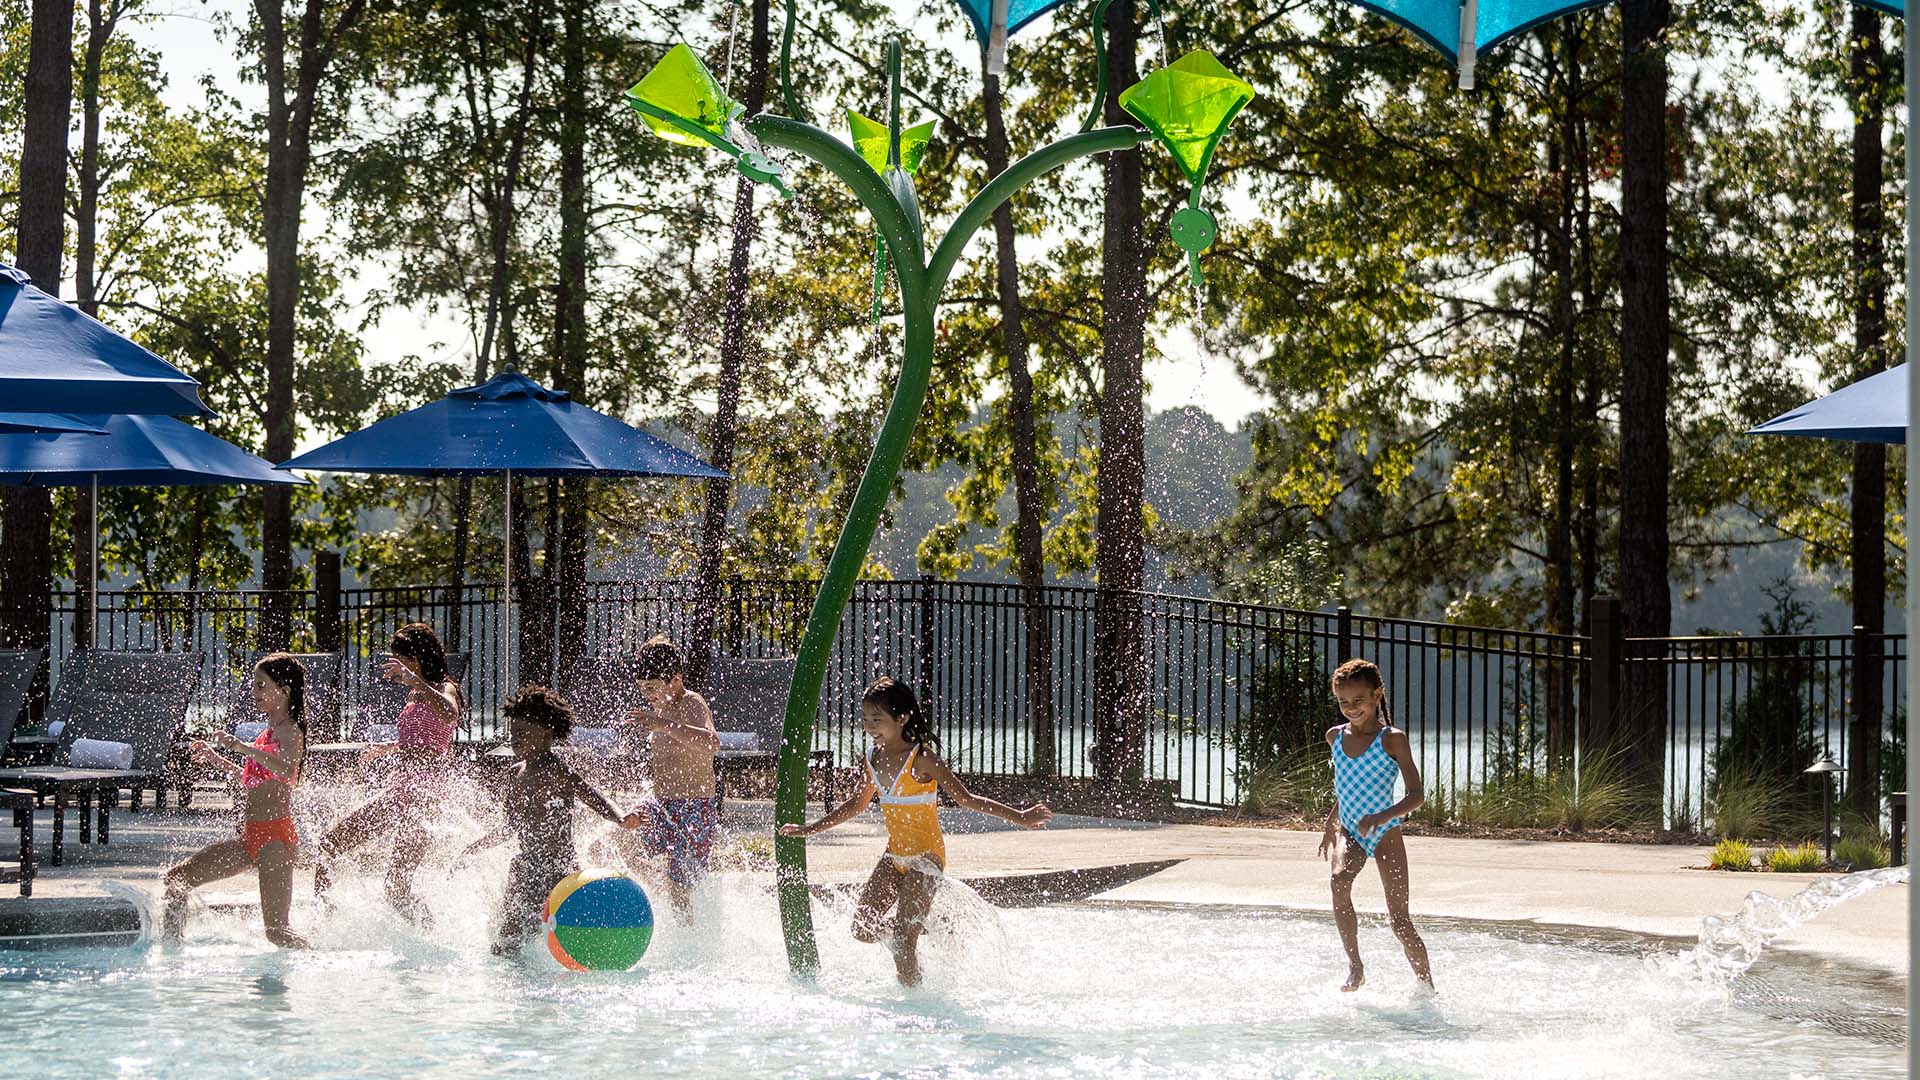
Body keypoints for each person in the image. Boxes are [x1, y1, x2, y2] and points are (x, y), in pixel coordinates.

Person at [780, 676, 1051, 986]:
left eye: (877, 719)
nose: (869, 726)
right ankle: (915, 928)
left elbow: (967, 799)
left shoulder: (923, 760)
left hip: (926, 858)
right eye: (866, 718)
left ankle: (915, 1003)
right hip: (894, 856)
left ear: (902, 718)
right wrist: (811, 829)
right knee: (862, 927)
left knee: (904, 945)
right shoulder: (873, 759)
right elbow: (857, 804)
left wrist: (1021, 816)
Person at [457, 686, 642, 955]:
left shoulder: (557, 770)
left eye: (522, 734)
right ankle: (511, 987)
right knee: (506, 940)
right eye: (512, 734)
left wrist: (620, 818)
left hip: (559, 869)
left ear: (545, 734)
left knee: (562, 936)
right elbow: (510, 826)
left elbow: (592, 795)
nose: (515, 740)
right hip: (525, 866)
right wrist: (475, 847)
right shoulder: (514, 775)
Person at [313, 622, 465, 922]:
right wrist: (390, 748)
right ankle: (323, 920)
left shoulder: (443, 688)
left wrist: (416, 682)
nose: (398, 667)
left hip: (425, 796)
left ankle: (435, 935)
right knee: (329, 842)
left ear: (418, 658)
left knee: (396, 885)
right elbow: (426, 740)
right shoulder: (413, 695)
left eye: (402, 659)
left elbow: (450, 715)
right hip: (401, 789)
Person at [163, 653, 310, 948]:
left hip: (276, 841)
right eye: (254, 686)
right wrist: (217, 760)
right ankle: (169, 952)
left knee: (277, 931)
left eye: (261, 686)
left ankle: (321, 962)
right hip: (250, 837)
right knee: (176, 879)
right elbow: (254, 777)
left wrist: (242, 747)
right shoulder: (267, 732)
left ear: (284, 689)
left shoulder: (290, 730)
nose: (254, 693)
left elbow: (286, 770)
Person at [1316, 657, 1434, 993]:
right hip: (1350, 829)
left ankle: (1427, 989)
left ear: (1377, 695)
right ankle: (1355, 967)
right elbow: (1347, 787)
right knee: (1339, 881)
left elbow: (1416, 796)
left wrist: (1381, 818)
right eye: (1343, 702)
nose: (1351, 708)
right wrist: (1330, 823)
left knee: (1399, 920)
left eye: (1358, 701)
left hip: (1384, 832)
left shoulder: (1391, 739)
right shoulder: (1334, 737)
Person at [617, 636, 720, 917]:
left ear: (675, 680)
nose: (647, 695)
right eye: (642, 688)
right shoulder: (661, 707)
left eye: (652, 687)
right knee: (619, 834)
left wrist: (662, 725)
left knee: (680, 892)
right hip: (661, 805)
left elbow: (712, 743)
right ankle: (655, 888)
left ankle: (686, 941)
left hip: (694, 809)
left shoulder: (692, 703)